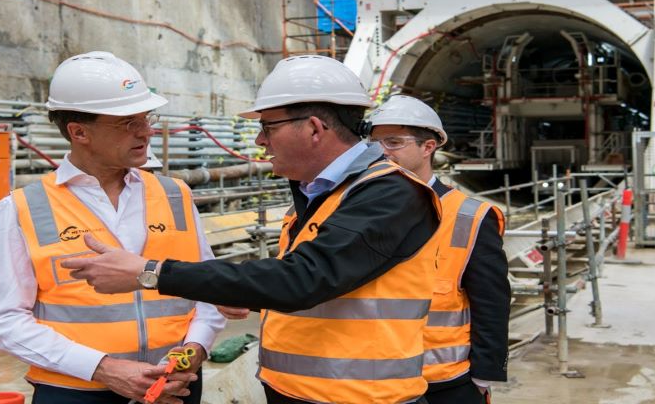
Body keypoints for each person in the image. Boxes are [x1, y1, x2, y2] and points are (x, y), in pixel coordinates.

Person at [63, 55, 443, 404]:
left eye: (267, 127)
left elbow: (303, 279)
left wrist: (150, 273)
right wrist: (246, 291)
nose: (260, 141)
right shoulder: (321, 191)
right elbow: (324, 279)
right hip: (300, 392)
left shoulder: (389, 193)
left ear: (313, 128)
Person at [0, 51, 225, 404]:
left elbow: (208, 287)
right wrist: (103, 368)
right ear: (79, 132)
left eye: (146, 117)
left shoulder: (175, 195)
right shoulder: (22, 209)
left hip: (174, 387)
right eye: (128, 122)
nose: (147, 130)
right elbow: (3, 321)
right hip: (75, 392)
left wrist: (197, 347)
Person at [369, 95, 510, 404]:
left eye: (393, 142)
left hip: (443, 380)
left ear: (428, 147)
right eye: (374, 142)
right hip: (373, 377)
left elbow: (491, 300)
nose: (380, 151)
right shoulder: (358, 209)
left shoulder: (469, 215)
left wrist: (485, 371)